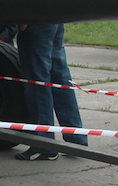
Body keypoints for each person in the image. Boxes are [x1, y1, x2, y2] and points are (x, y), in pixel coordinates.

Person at [15, 23, 87, 161]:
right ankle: (76, 139)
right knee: (59, 77)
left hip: (36, 20)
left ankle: (44, 144)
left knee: (37, 82)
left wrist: (25, 20)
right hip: (54, 18)